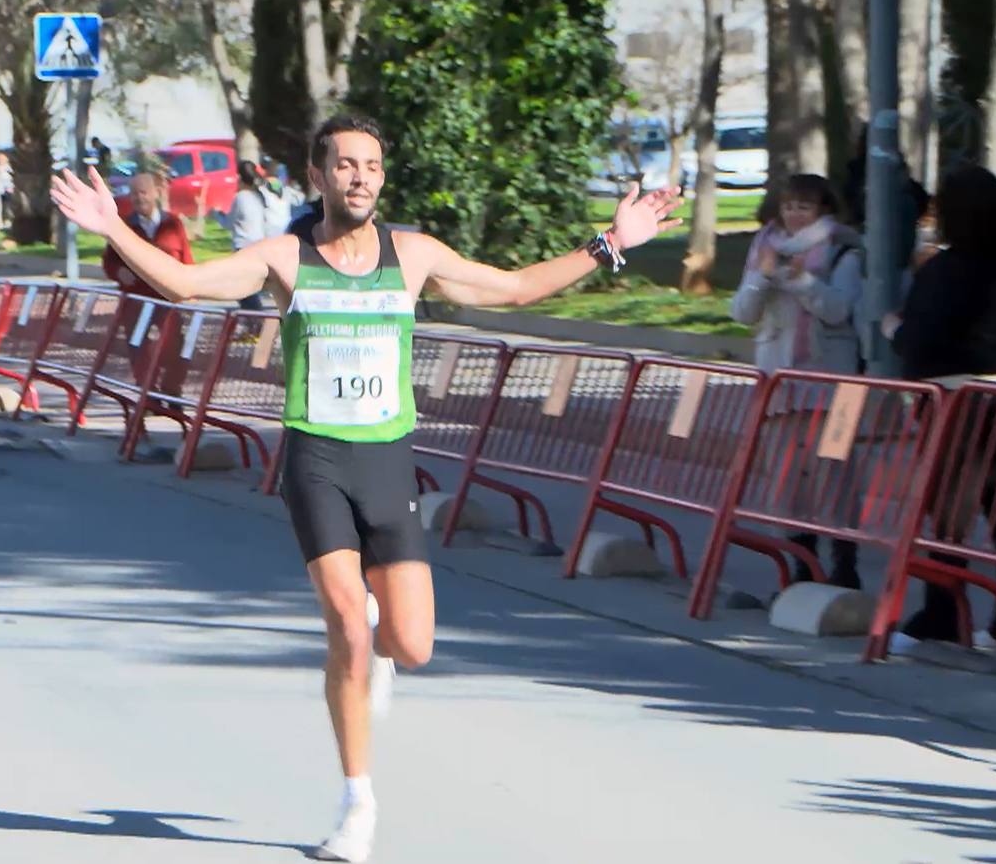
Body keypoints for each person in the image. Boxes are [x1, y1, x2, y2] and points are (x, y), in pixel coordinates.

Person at [50, 113, 682, 864]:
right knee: (348, 626)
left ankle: (375, 656)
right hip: (317, 460)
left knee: (408, 645)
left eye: (372, 166)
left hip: (387, 462)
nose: (360, 177)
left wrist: (610, 244)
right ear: (318, 178)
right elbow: (186, 284)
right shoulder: (287, 256)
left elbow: (512, 290)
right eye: (345, 165)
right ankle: (357, 804)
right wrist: (112, 228)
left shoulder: (411, 257)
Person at [882, 165, 996, 652]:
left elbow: (924, 338)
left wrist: (895, 332)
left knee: (949, 508)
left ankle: (944, 611)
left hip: (953, 394)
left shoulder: (945, 269)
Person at [730, 173, 865, 590]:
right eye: (789, 206)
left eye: (805, 207)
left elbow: (839, 309)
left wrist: (799, 280)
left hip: (829, 379)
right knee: (788, 479)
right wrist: (764, 277)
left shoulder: (844, 250)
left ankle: (844, 565)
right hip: (781, 381)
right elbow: (742, 313)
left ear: (824, 211)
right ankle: (799, 566)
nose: (794, 215)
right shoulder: (764, 247)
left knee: (835, 476)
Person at [102, 173, 194, 296]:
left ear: (156, 193)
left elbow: (187, 261)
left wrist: (191, 294)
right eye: (134, 194)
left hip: (170, 302)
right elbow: (109, 262)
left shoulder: (173, 223)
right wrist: (119, 272)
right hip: (136, 302)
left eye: (143, 192)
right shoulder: (123, 227)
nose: (139, 198)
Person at [228, 160, 293, 310]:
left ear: (239, 177)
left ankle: (256, 318)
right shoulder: (259, 196)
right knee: (252, 285)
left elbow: (228, 222)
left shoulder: (240, 197)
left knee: (241, 288)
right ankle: (257, 318)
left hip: (242, 247)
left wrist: (215, 213)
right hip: (259, 244)